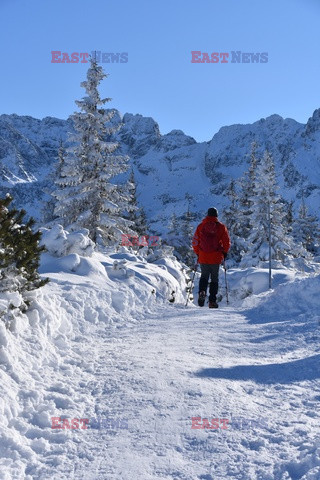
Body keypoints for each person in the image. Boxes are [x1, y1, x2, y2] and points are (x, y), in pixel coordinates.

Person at [192, 207, 230, 308]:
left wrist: (198, 253)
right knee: (214, 279)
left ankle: (202, 291)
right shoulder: (221, 227)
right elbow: (226, 241)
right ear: (216, 215)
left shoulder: (201, 226)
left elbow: (195, 242)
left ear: (207, 215)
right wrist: (224, 253)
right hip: (216, 257)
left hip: (203, 256)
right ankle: (212, 301)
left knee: (204, 276)